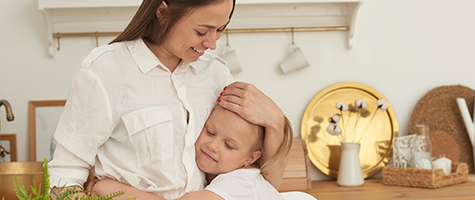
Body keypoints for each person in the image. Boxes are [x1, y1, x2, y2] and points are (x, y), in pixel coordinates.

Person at [47, 0, 287, 199]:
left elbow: (254, 184)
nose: (212, 43)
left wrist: (276, 121)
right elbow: (65, 175)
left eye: (220, 30)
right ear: (163, 12)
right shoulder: (106, 69)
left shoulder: (216, 74)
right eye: (201, 31)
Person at [87, 106, 293, 200]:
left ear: (250, 159)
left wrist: (108, 188)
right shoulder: (212, 176)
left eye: (229, 146)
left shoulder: (242, 181)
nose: (213, 146)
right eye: (210, 132)